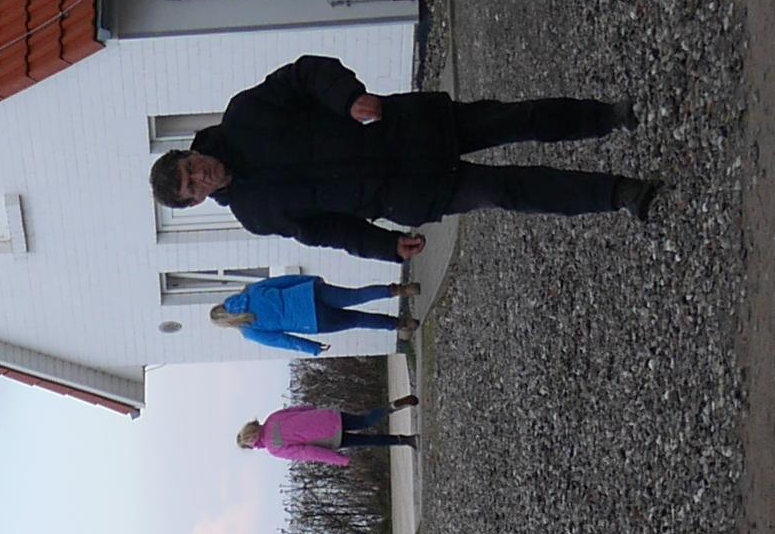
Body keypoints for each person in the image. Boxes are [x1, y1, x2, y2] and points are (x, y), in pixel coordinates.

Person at [148, 54, 652, 259]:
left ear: (190, 153)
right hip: (406, 193)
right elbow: (327, 230)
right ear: (196, 202)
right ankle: (619, 194)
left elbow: (304, 75)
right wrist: (385, 248)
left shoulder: (244, 115)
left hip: (410, 128)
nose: (201, 176)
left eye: (191, 167)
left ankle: (607, 117)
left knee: (516, 121)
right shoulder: (256, 216)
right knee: (507, 190)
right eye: (194, 187)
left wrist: (345, 97)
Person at [206, 274, 403, 359]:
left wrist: (312, 348)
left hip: (314, 321)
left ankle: (402, 324)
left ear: (226, 323)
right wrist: (311, 280)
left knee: (358, 320)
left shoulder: (249, 330)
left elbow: (284, 341)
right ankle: (398, 289)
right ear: (225, 302)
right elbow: (285, 281)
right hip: (310, 292)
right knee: (357, 295)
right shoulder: (252, 290)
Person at [234, 405, 416, 468]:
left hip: (329, 438)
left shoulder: (275, 448)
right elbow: (300, 409)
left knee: (367, 440)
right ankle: (392, 407)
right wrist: (317, 411)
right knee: (365, 420)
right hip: (328, 417)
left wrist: (339, 459)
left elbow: (308, 452)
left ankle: (406, 440)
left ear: (252, 443)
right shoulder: (273, 418)